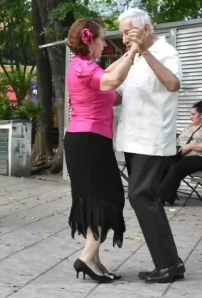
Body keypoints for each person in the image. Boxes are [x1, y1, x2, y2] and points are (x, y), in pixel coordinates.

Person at [115, 8, 185, 283]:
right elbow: (120, 94)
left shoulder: (166, 51)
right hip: (131, 138)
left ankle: (169, 263)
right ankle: (168, 262)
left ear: (145, 30)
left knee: (140, 196)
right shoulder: (130, 56)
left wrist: (144, 51)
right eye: (122, 33)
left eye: (127, 33)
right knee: (144, 197)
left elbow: (173, 84)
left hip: (153, 139)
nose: (123, 39)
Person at [64, 18, 137, 282]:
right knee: (109, 198)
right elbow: (112, 81)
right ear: (89, 40)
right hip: (89, 141)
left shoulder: (85, 66)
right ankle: (85, 258)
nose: (105, 43)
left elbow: (110, 78)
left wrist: (128, 57)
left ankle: (92, 259)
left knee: (95, 198)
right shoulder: (84, 68)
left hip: (86, 140)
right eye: (102, 38)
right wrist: (132, 52)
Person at [159, 100, 202, 205]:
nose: (190, 117)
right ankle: (157, 194)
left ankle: (162, 197)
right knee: (162, 163)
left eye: (193, 114)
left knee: (177, 167)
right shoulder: (188, 128)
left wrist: (191, 146)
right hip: (183, 157)